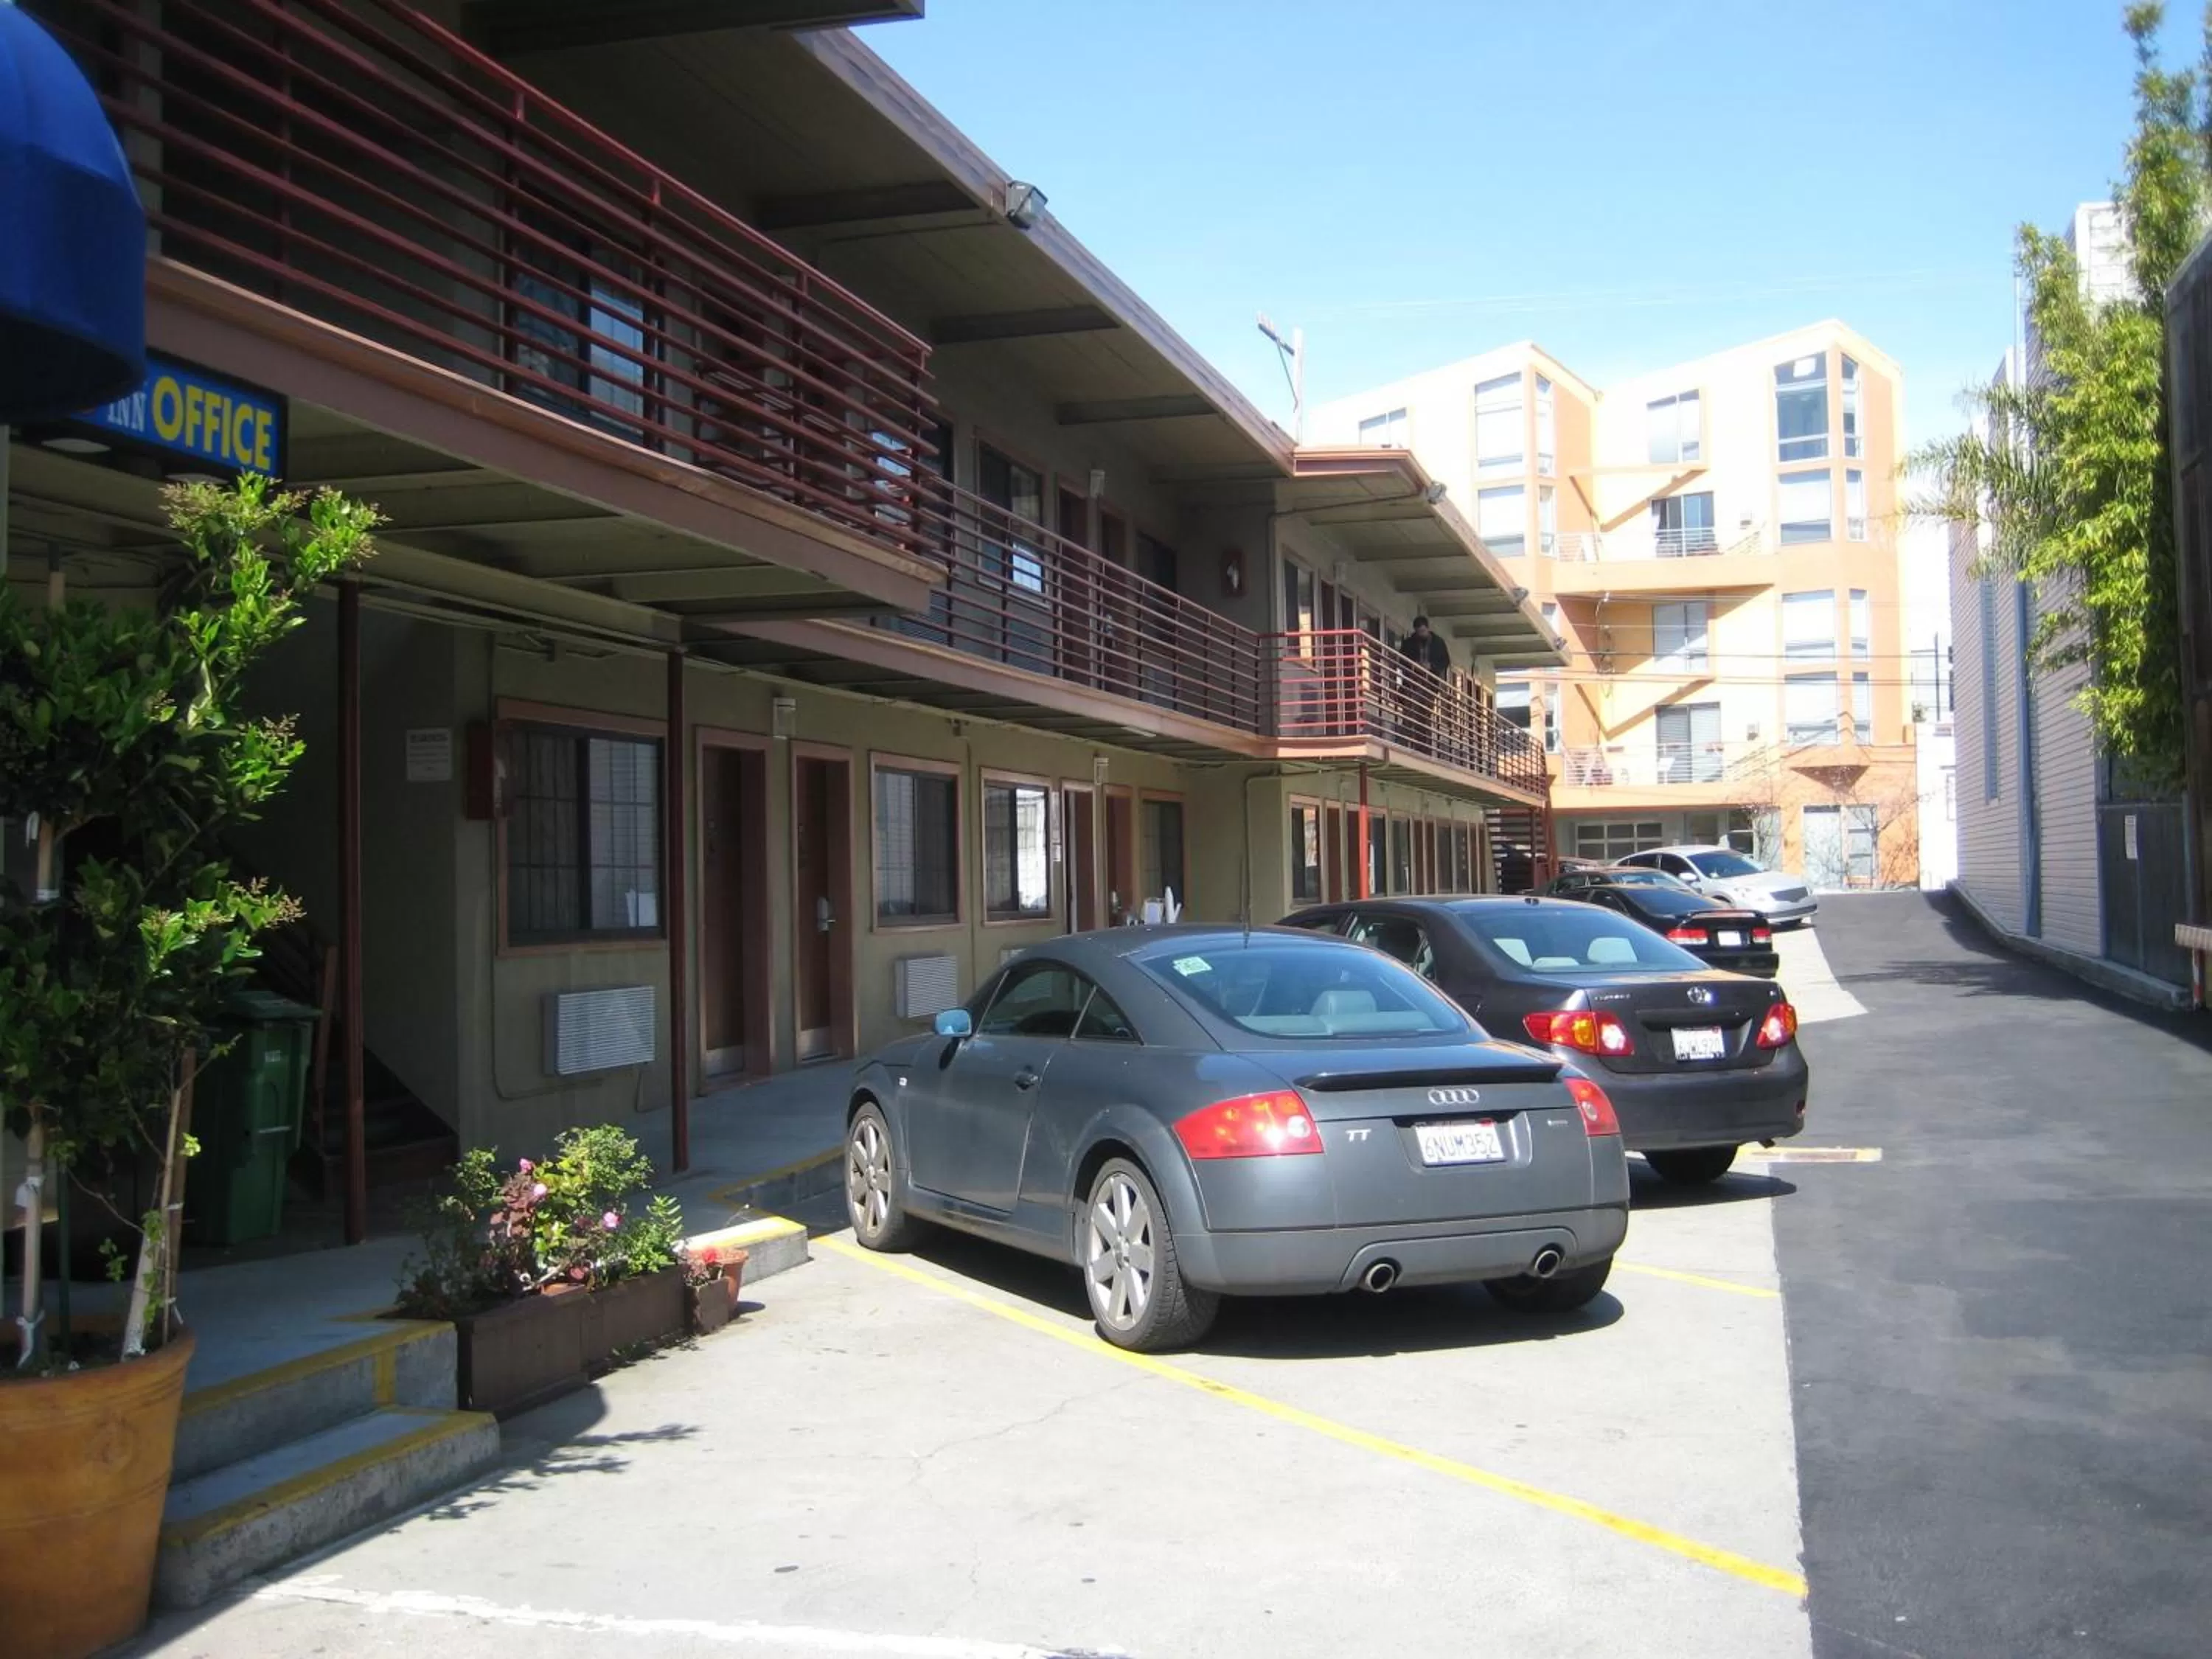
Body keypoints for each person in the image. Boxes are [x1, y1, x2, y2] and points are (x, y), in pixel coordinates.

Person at [1399, 616, 1451, 751]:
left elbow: (1445, 661)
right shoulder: (1409, 643)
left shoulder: (1438, 643)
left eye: (1423, 631)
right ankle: (1406, 744)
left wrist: (1431, 666)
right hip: (1413, 682)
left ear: (1428, 629)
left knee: (1425, 714)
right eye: (1419, 632)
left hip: (1430, 683)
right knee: (1410, 712)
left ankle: (1423, 747)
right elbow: (1401, 660)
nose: (1421, 634)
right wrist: (1413, 665)